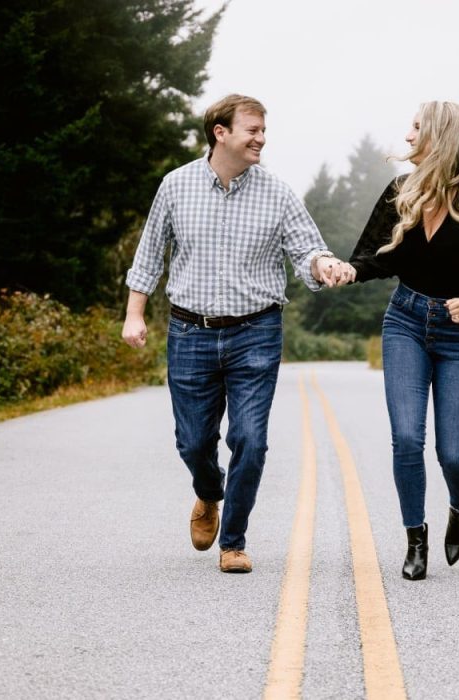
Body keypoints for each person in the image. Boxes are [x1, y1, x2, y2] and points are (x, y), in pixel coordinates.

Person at [123, 94, 354, 574]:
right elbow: (149, 256)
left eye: (264, 130)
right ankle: (208, 493)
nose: (261, 138)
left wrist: (325, 264)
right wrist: (135, 314)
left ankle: (234, 541)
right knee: (192, 442)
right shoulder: (175, 186)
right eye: (252, 130)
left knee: (250, 439)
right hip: (190, 332)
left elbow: (308, 248)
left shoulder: (277, 193)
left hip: (256, 330)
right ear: (220, 132)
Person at [341, 101, 459, 581]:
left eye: (416, 127)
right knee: (405, 439)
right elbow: (374, 257)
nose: (407, 137)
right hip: (404, 322)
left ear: (439, 135)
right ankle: (415, 540)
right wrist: (346, 270)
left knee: (453, 454)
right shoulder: (400, 191)